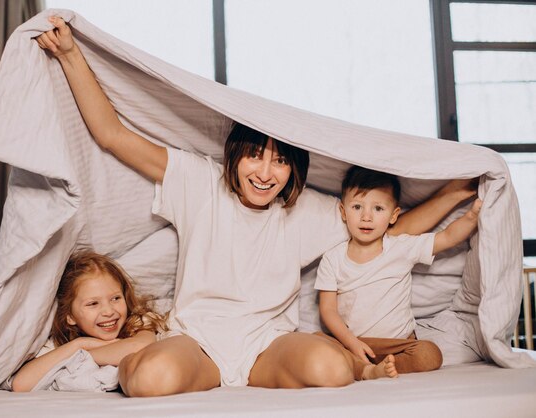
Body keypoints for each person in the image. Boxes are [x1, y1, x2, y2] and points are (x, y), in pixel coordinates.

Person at [35, 16, 478, 396]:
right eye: (255, 155)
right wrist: (72, 55)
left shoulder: (307, 210)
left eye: (281, 160)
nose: (266, 172)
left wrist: (454, 193)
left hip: (269, 344)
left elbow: (387, 230)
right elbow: (114, 136)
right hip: (199, 340)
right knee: (151, 379)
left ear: (294, 170)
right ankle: (133, 366)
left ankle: (358, 360)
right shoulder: (198, 181)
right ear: (234, 155)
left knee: (332, 369)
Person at [315, 166, 482, 379]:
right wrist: (351, 342)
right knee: (318, 345)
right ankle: (364, 368)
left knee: (430, 354)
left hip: (399, 344)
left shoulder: (401, 247)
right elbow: (328, 310)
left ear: (394, 215)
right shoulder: (333, 258)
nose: (366, 217)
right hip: (354, 342)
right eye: (357, 207)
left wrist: (471, 217)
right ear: (343, 212)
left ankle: (379, 368)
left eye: (378, 209)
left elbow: (447, 237)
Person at [11, 251, 167, 392]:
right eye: (93, 303)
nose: (108, 311)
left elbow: (140, 347)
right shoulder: (62, 343)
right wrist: (79, 344)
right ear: (70, 316)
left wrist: (84, 352)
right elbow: (21, 384)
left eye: (115, 298)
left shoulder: (139, 322)